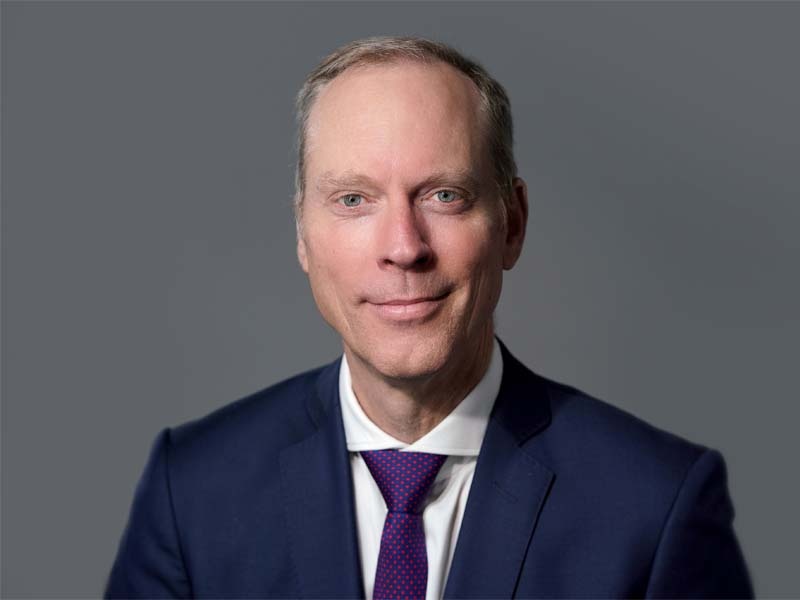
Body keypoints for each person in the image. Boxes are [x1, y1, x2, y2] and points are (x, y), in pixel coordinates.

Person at [105, 36, 753, 599]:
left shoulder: (657, 503)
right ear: (302, 234)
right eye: (353, 199)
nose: (404, 247)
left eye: (444, 195)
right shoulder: (192, 489)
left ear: (512, 224)